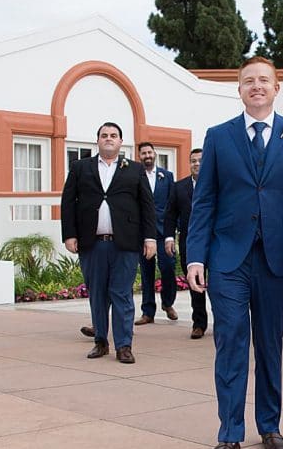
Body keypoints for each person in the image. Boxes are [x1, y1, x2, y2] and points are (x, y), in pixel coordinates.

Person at [186, 55, 283, 449]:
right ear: (240, 89)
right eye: (249, 81)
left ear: (277, 87)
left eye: (264, 80)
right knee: (230, 342)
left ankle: (269, 425)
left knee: (268, 344)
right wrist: (196, 257)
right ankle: (229, 434)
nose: (257, 86)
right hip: (228, 259)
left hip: (277, 259)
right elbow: (204, 201)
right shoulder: (218, 136)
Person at [61, 122, 157, 364]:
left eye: (113, 135)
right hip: (92, 243)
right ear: (98, 141)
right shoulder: (80, 167)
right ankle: (100, 341)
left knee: (122, 294)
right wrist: (69, 235)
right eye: (104, 135)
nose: (108, 139)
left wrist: (150, 238)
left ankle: (124, 345)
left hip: (124, 244)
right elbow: (68, 203)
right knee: (97, 295)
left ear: (120, 142)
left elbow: (147, 206)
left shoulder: (134, 169)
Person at [164, 148, 208, 339]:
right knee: (195, 283)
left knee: (220, 284)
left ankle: (224, 322)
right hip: (189, 242)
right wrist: (169, 238)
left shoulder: (217, 184)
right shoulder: (178, 187)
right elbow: (170, 215)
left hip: (216, 242)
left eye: (200, 160)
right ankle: (199, 323)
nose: (196, 164)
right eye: (193, 161)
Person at [136, 141, 178, 325]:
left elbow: (173, 204)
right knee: (146, 272)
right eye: (143, 153)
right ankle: (148, 312)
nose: (147, 156)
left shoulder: (166, 176)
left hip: (163, 231)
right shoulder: (135, 176)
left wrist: (173, 230)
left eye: (149, 152)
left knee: (168, 267)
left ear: (155, 154)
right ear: (139, 156)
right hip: (143, 232)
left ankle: (168, 303)